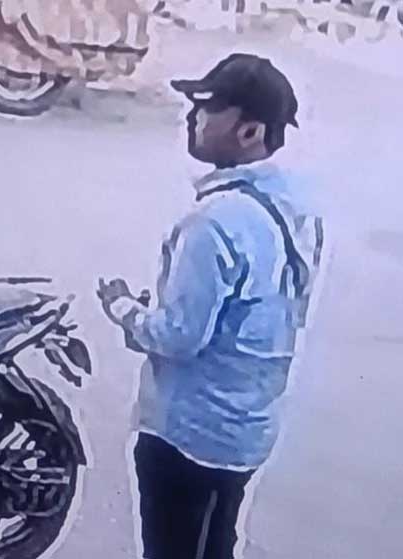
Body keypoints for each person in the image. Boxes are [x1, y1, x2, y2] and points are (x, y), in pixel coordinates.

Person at [96, 53, 324, 559]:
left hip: (189, 436)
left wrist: (124, 309)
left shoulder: (215, 222)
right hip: (249, 429)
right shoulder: (298, 206)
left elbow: (179, 337)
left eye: (208, 108)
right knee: (217, 541)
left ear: (250, 131)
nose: (191, 117)